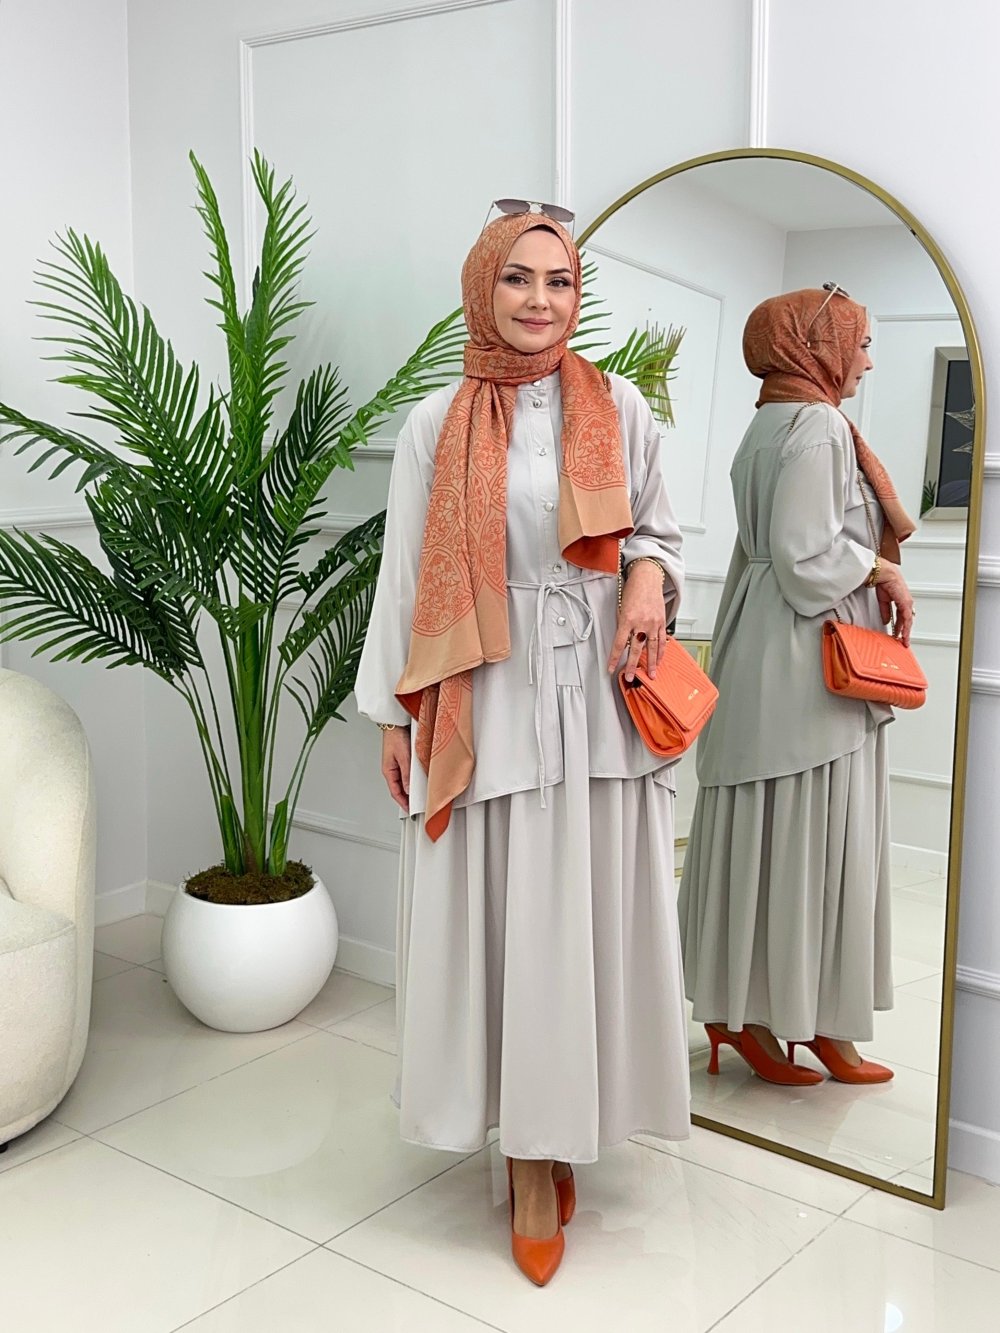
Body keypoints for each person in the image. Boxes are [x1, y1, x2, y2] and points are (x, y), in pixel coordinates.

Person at [355, 205, 690, 1285]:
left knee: (580, 918)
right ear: (482, 287)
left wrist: (646, 576)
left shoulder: (619, 404)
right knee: (513, 921)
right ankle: (529, 1161)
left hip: (596, 698)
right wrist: (394, 716)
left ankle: (569, 1119)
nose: (541, 300)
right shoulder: (436, 422)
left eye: (560, 281)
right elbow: (404, 575)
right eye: (519, 279)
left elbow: (657, 528)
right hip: (487, 696)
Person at [678, 285, 916, 1089]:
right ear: (814, 346)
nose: (867, 361)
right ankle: (793, 1016)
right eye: (859, 342)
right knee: (815, 832)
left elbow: (777, 549)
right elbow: (804, 554)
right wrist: (882, 568)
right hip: (806, 660)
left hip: (764, 644)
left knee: (778, 832)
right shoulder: (817, 426)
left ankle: (767, 1011)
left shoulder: (768, 422)